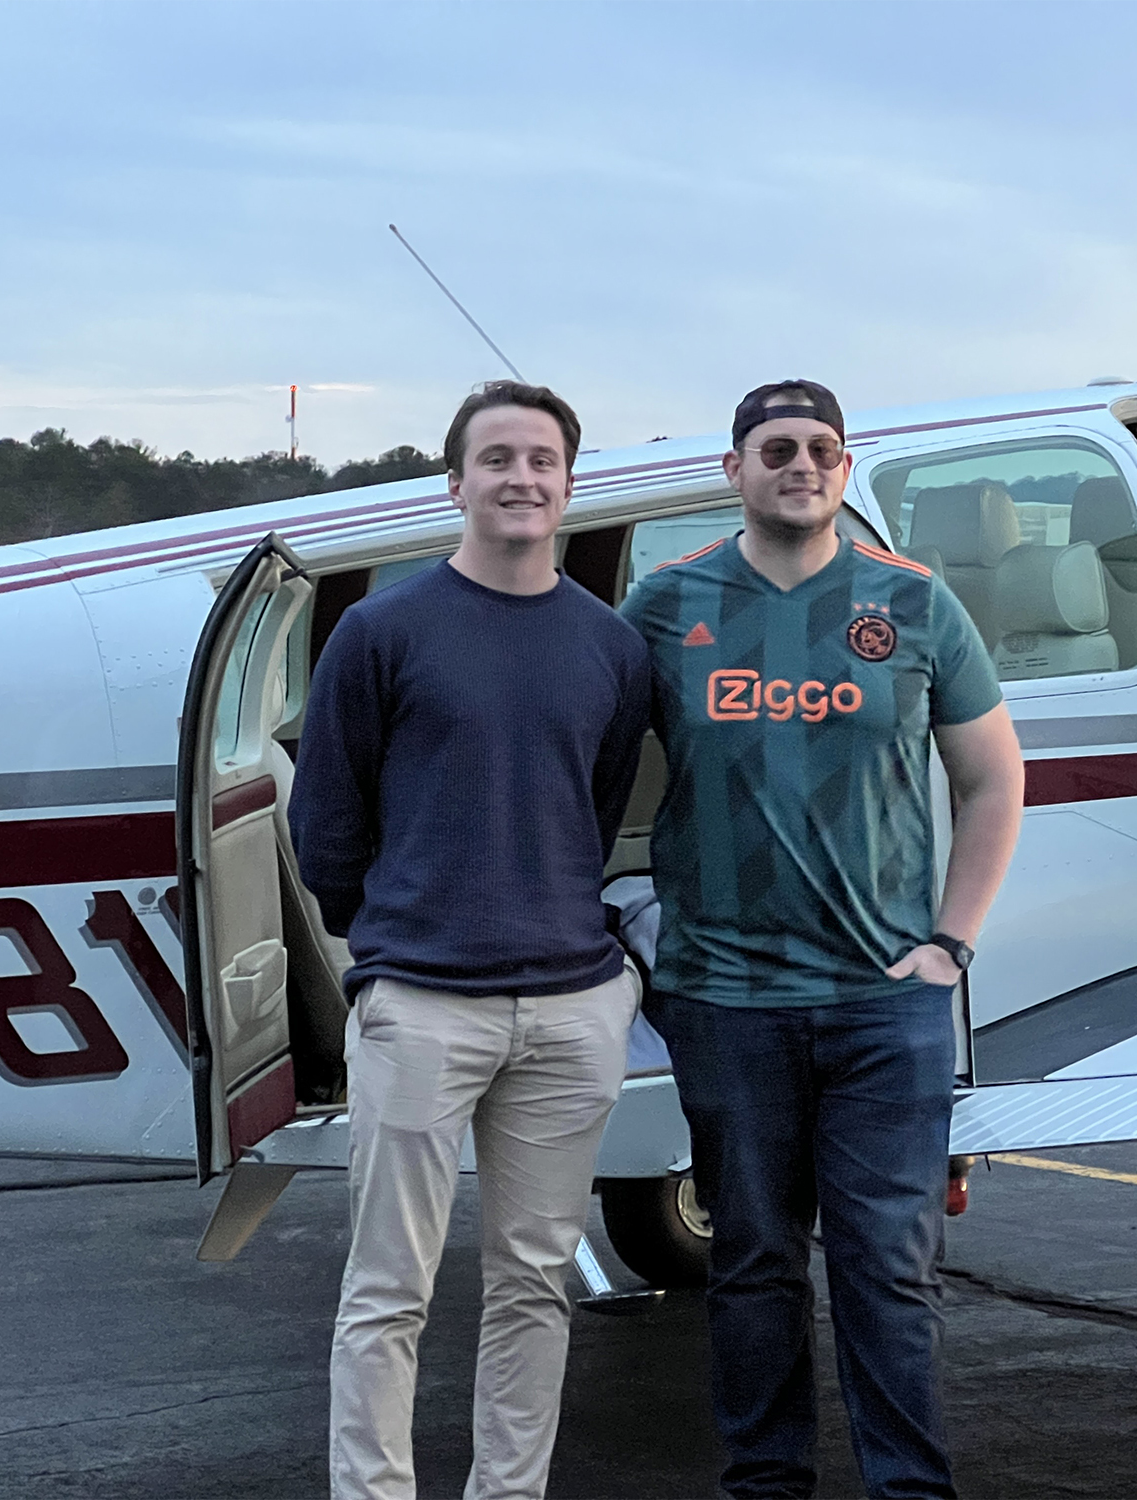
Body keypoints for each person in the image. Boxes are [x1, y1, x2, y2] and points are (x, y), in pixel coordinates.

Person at [621, 380, 1026, 1499]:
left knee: (888, 1271)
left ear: (844, 472)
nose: (799, 463)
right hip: (722, 997)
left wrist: (949, 942)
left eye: (820, 449)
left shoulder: (912, 603)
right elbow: (578, 762)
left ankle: (910, 1489)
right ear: (733, 468)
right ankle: (766, 1483)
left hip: (882, 999)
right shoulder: (664, 605)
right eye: (774, 447)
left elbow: (993, 780)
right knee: (750, 1266)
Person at [291, 380, 651, 1500]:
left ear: (567, 486)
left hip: (569, 1006)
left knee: (533, 1283)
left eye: (541, 460)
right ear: (456, 483)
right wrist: (392, 944)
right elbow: (326, 821)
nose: (520, 478)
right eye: (496, 459)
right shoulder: (380, 631)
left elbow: (590, 809)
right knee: (387, 1287)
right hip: (420, 1005)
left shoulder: (609, 647)